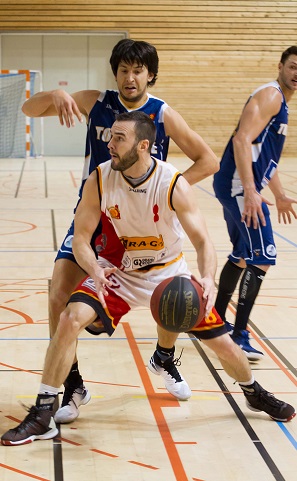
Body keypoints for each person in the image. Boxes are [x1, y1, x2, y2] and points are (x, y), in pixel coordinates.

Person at [1, 111, 295, 446]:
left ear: (143, 146)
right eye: (110, 137)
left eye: (118, 139)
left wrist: (209, 278)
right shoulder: (99, 179)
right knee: (69, 318)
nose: (109, 144)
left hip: (168, 275)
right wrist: (94, 268)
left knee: (225, 347)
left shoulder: (172, 182)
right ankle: (43, 413)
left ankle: (252, 392)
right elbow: (81, 237)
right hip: (118, 274)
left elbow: (202, 241)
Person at [22, 39, 219, 423]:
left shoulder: (162, 113)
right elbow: (29, 108)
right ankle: (72, 384)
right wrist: (56, 94)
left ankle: (163, 356)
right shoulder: (95, 101)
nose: (130, 78)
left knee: (169, 291)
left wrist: (169, 192)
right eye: (124, 70)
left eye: (138, 71)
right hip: (96, 218)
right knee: (58, 295)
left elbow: (207, 159)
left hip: (142, 222)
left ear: (150, 75)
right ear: (116, 73)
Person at [213, 46, 297, 361]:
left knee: (242, 255)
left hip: (235, 184)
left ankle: (217, 319)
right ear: (281, 66)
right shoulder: (272, 96)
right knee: (262, 257)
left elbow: (263, 154)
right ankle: (239, 335)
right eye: (293, 66)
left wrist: (277, 193)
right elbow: (241, 140)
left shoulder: (279, 102)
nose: (296, 73)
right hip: (238, 185)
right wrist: (250, 189)